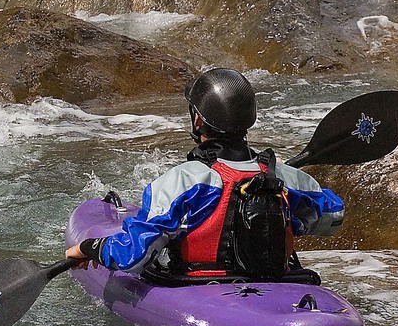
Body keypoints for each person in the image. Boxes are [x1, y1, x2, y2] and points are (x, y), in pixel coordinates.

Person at [64, 68, 346, 283]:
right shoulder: (284, 178)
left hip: (199, 287)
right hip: (276, 286)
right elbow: (334, 217)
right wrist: (288, 201)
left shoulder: (180, 182)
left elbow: (133, 257)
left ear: (198, 120)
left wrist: (90, 248)